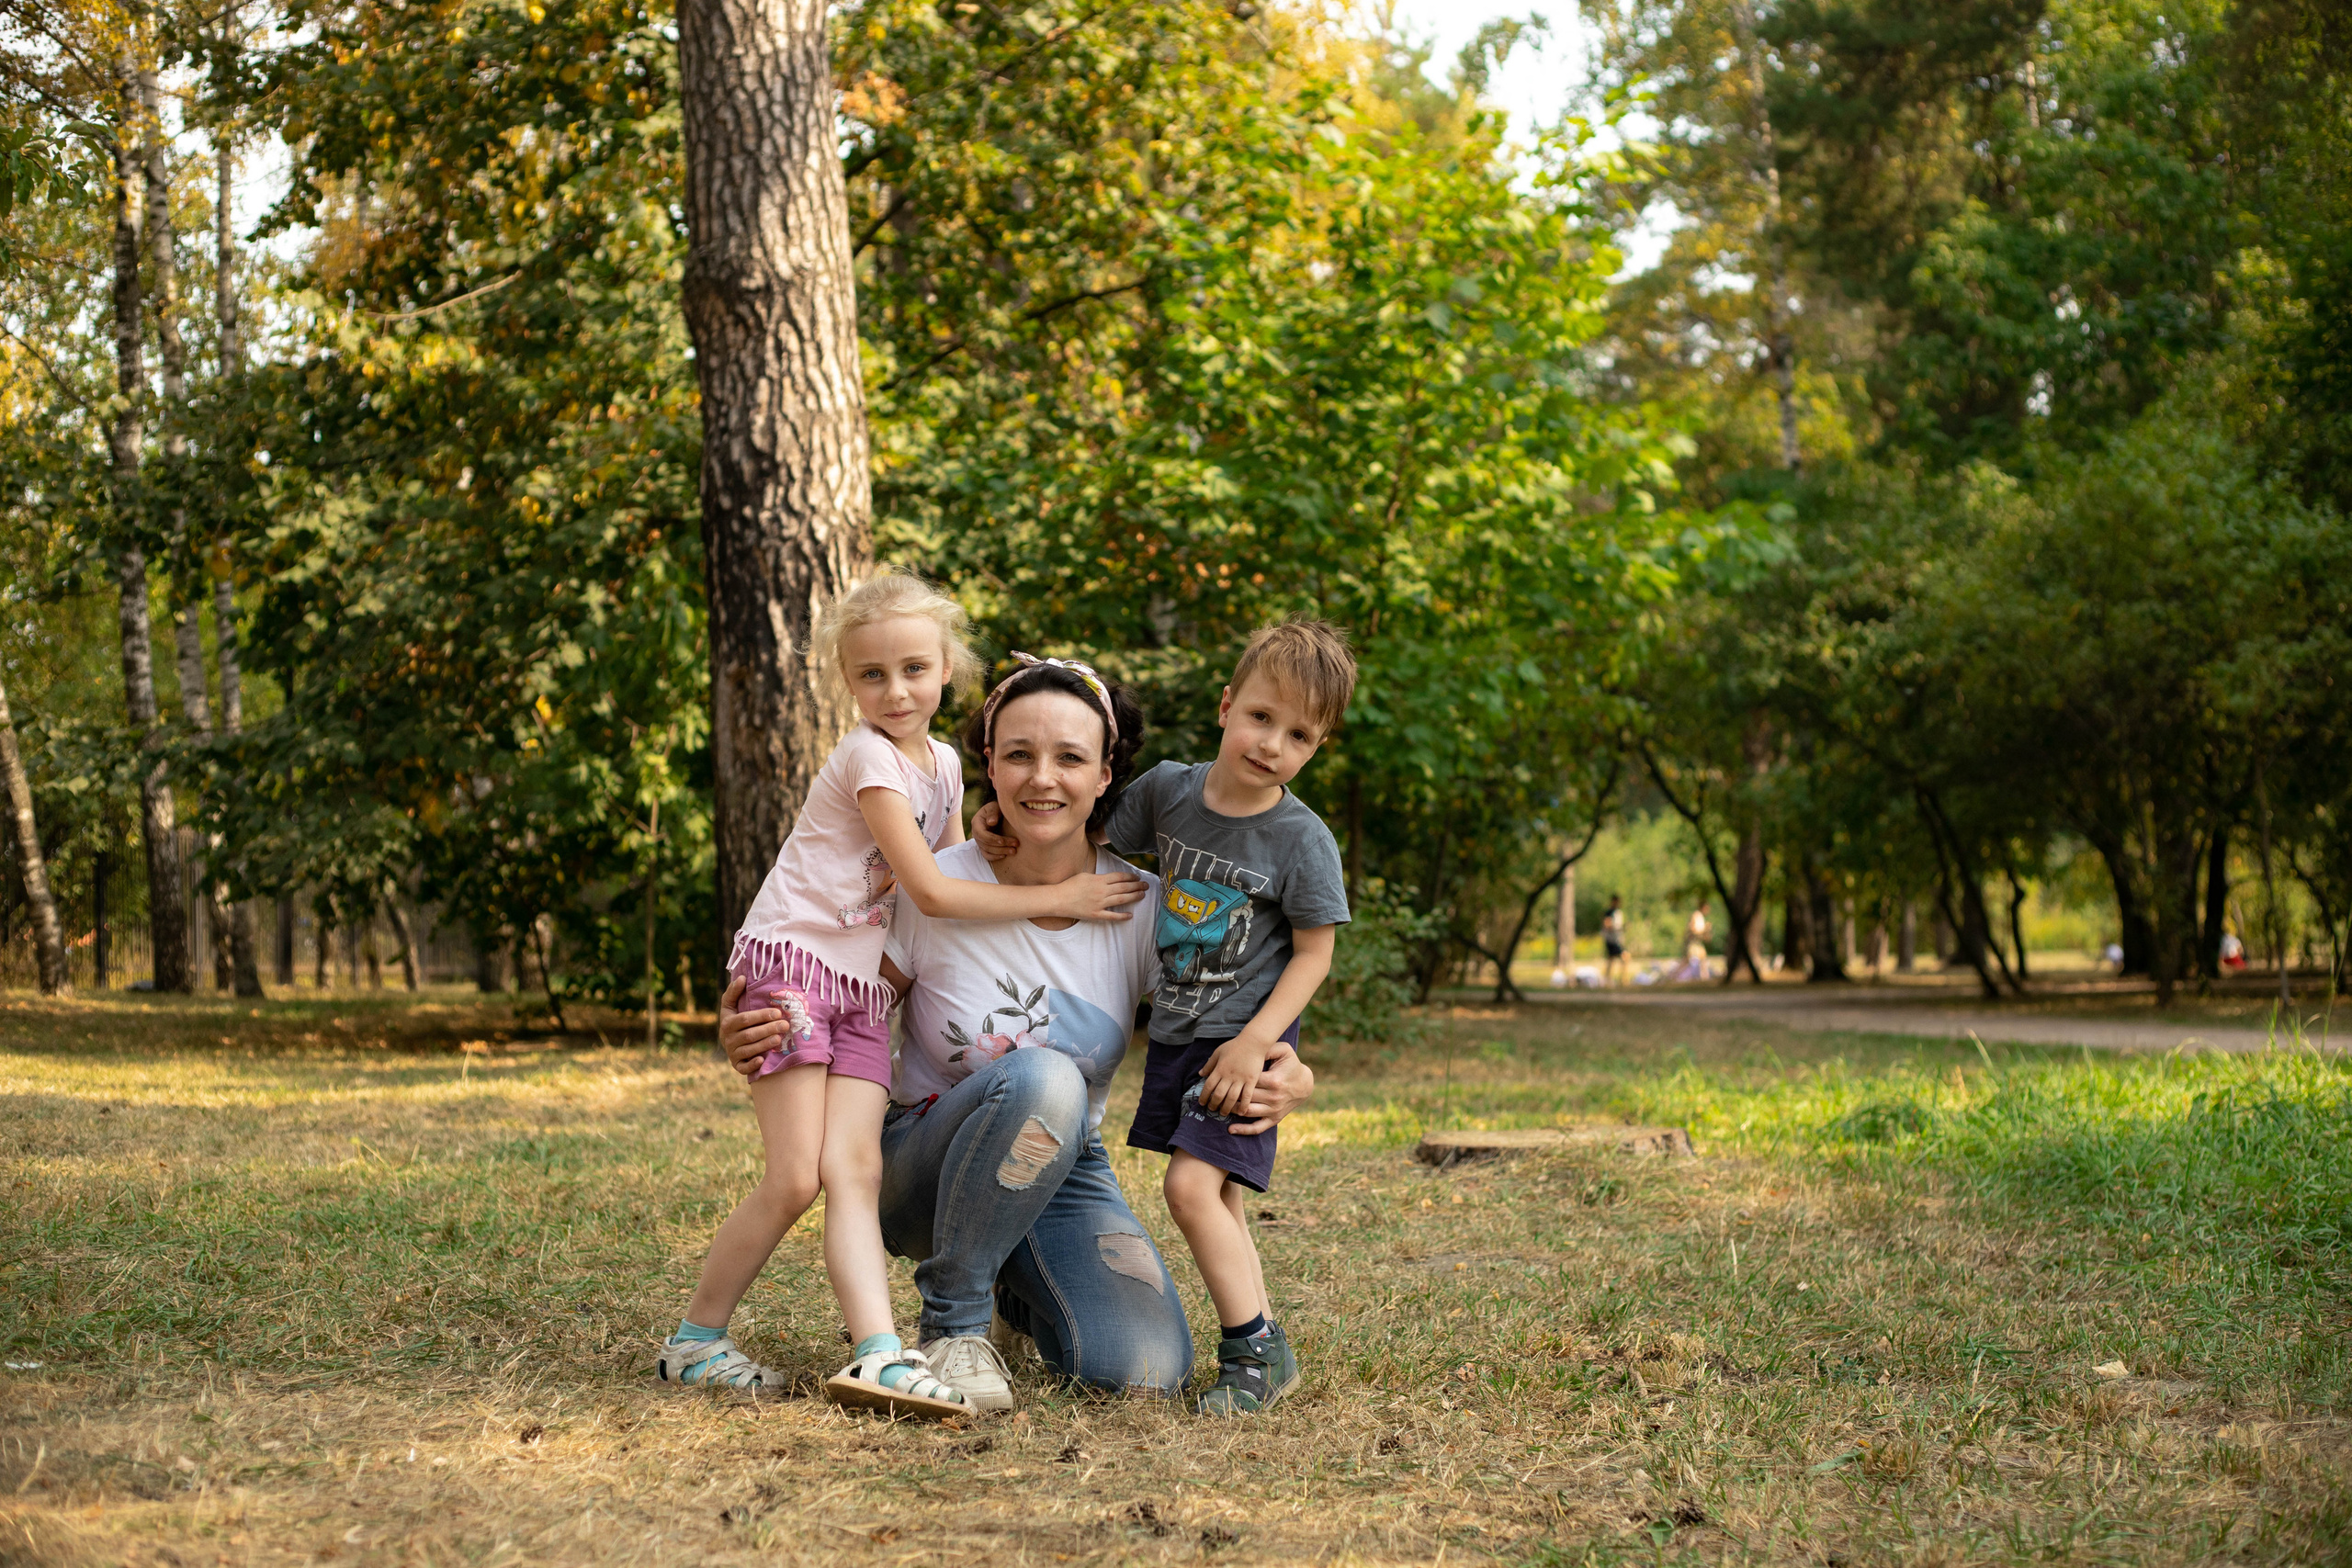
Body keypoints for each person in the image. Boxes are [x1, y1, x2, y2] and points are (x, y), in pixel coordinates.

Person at [720, 657, 1317, 1410]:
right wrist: (752, 1021)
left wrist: (1293, 1071)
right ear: (989, 767)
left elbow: (1226, 1011)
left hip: (1064, 1166)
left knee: (1142, 1370)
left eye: (1070, 757)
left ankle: (1011, 1289)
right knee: (1045, 1074)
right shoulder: (932, 882)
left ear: (1105, 775)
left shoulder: (1141, 907)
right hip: (918, 1163)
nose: (1043, 778)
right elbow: (841, 995)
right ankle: (954, 1324)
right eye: (1018, 754)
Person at [657, 576, 1147, 1415]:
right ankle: (698, 1338)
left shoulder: (949, 767)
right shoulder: (867, 757)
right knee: (793, 1179)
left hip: (863, 997)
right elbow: (935, 893)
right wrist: (1051, 897)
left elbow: (953, 859)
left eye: (915, 668)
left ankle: (879, 1353)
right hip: (802, 971)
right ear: (846, 682)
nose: (895, 691)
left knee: (847, 1171)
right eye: (871, 675)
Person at [976, 621, 1355, 1416]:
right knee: (1220, 1199)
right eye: (1261, 717)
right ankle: (1266, 1344)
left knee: (1190, 1188)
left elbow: (1315, 955)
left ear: (1316, 747)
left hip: (1246, 1040)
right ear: (1226, 705)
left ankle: (1251, 1346)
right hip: (1182, 1033)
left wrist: (1261, 1044)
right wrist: (999, 823)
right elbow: (1083, 831)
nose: (1271, 744)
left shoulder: (1302, 839)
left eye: (1299, 735)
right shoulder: (1170, 792)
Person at [1678, 903, 1711, 981]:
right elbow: (1693, 929)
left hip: (1698, 942)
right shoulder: (1696, 915)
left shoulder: (1700, 916)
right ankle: (1674, 976)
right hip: (1694, 942)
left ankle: (1705, 977)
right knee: (1687, 960)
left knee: (1702, 960)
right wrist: (1704, 930)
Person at [1601, 895, 1629, 987]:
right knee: (1624, 957)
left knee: (1611, 960)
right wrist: (1616, 928)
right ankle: (1622, 980)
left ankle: (1608, 980)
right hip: (1612, 940)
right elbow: (1607, 924)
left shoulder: (1618, 912)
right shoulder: (1610, 912)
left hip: (1617, 939)